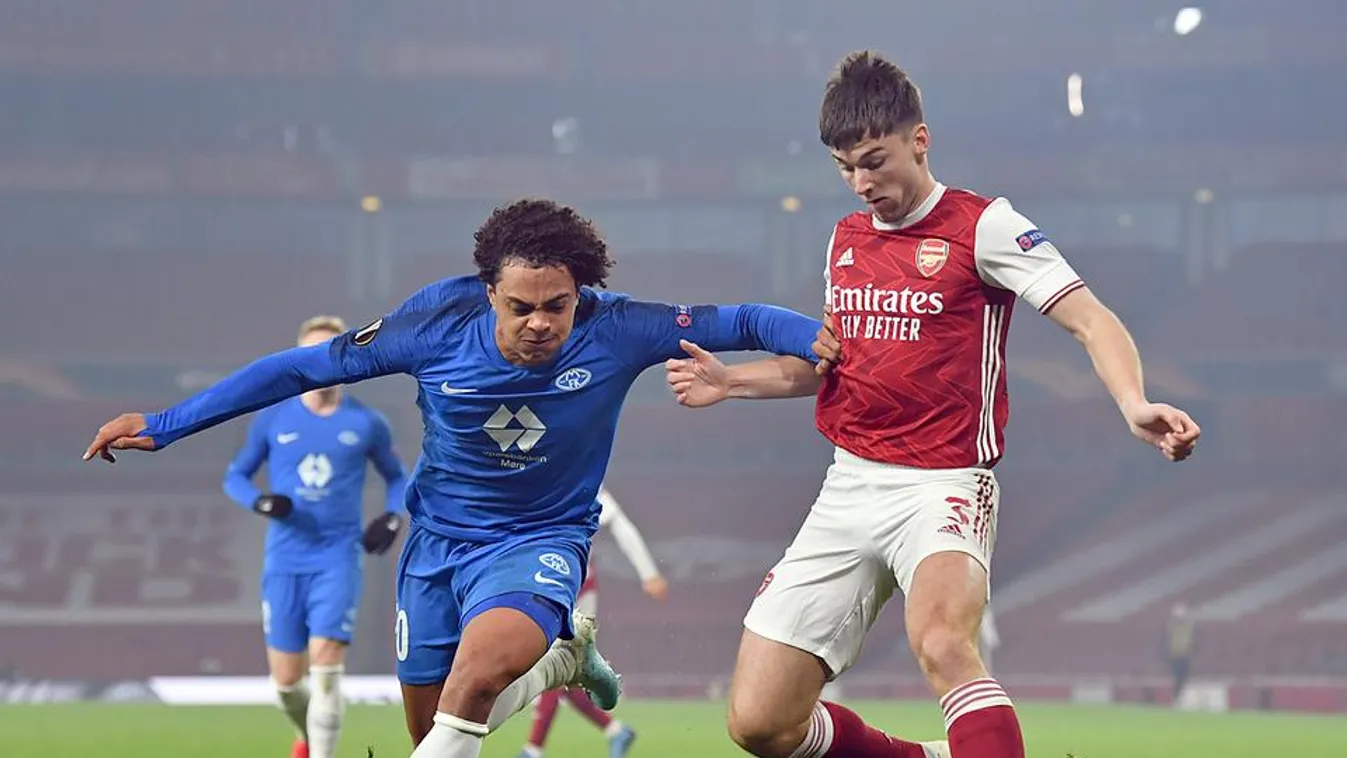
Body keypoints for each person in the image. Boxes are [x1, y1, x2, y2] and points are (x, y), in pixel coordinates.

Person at [83, 198, 823, 758]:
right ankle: (562, 661)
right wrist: (167, 423)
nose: (540, 323)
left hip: (538, 539)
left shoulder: (621, 327)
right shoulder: (432, 326)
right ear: (488, 292)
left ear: (580, 292)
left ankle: (549, 651)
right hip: (436, 545)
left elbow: (748, 320)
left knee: (472, 686)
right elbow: (298, 369)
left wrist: (829, 340)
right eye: (520, 307)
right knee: (437, 727)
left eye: (557, 306)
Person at [664, 51, 1201, 758]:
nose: (861, 184)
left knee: (943, 642)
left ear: (919, 140)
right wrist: (732, 382)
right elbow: (833, 367)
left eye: (874, 161)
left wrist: (1132, 402)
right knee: (760, 722)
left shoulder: (985, 226)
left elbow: (1090, 319)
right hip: (848, 483)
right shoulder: (846, 240)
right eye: (844, 168)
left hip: (944, 484)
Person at [223, 314, 409, 758]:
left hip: (337, 556)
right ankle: (308, 737)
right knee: (287, 685)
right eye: (312, 354)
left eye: (330, 352)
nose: (321, 363)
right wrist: (260, 502)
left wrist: (392, 517)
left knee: (326, 666)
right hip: (285, 560)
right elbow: (235, 476)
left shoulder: (367, 423)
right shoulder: (273, 419)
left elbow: (398, 478)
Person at [520, 485, 668, 758]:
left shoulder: (579, 476)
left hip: (573, 585)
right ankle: (616, 731)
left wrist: (648, 573)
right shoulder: (528, 475)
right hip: (541, 582)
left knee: (558, 661)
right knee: (569, 671)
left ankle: (533, 750)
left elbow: (618, 523)